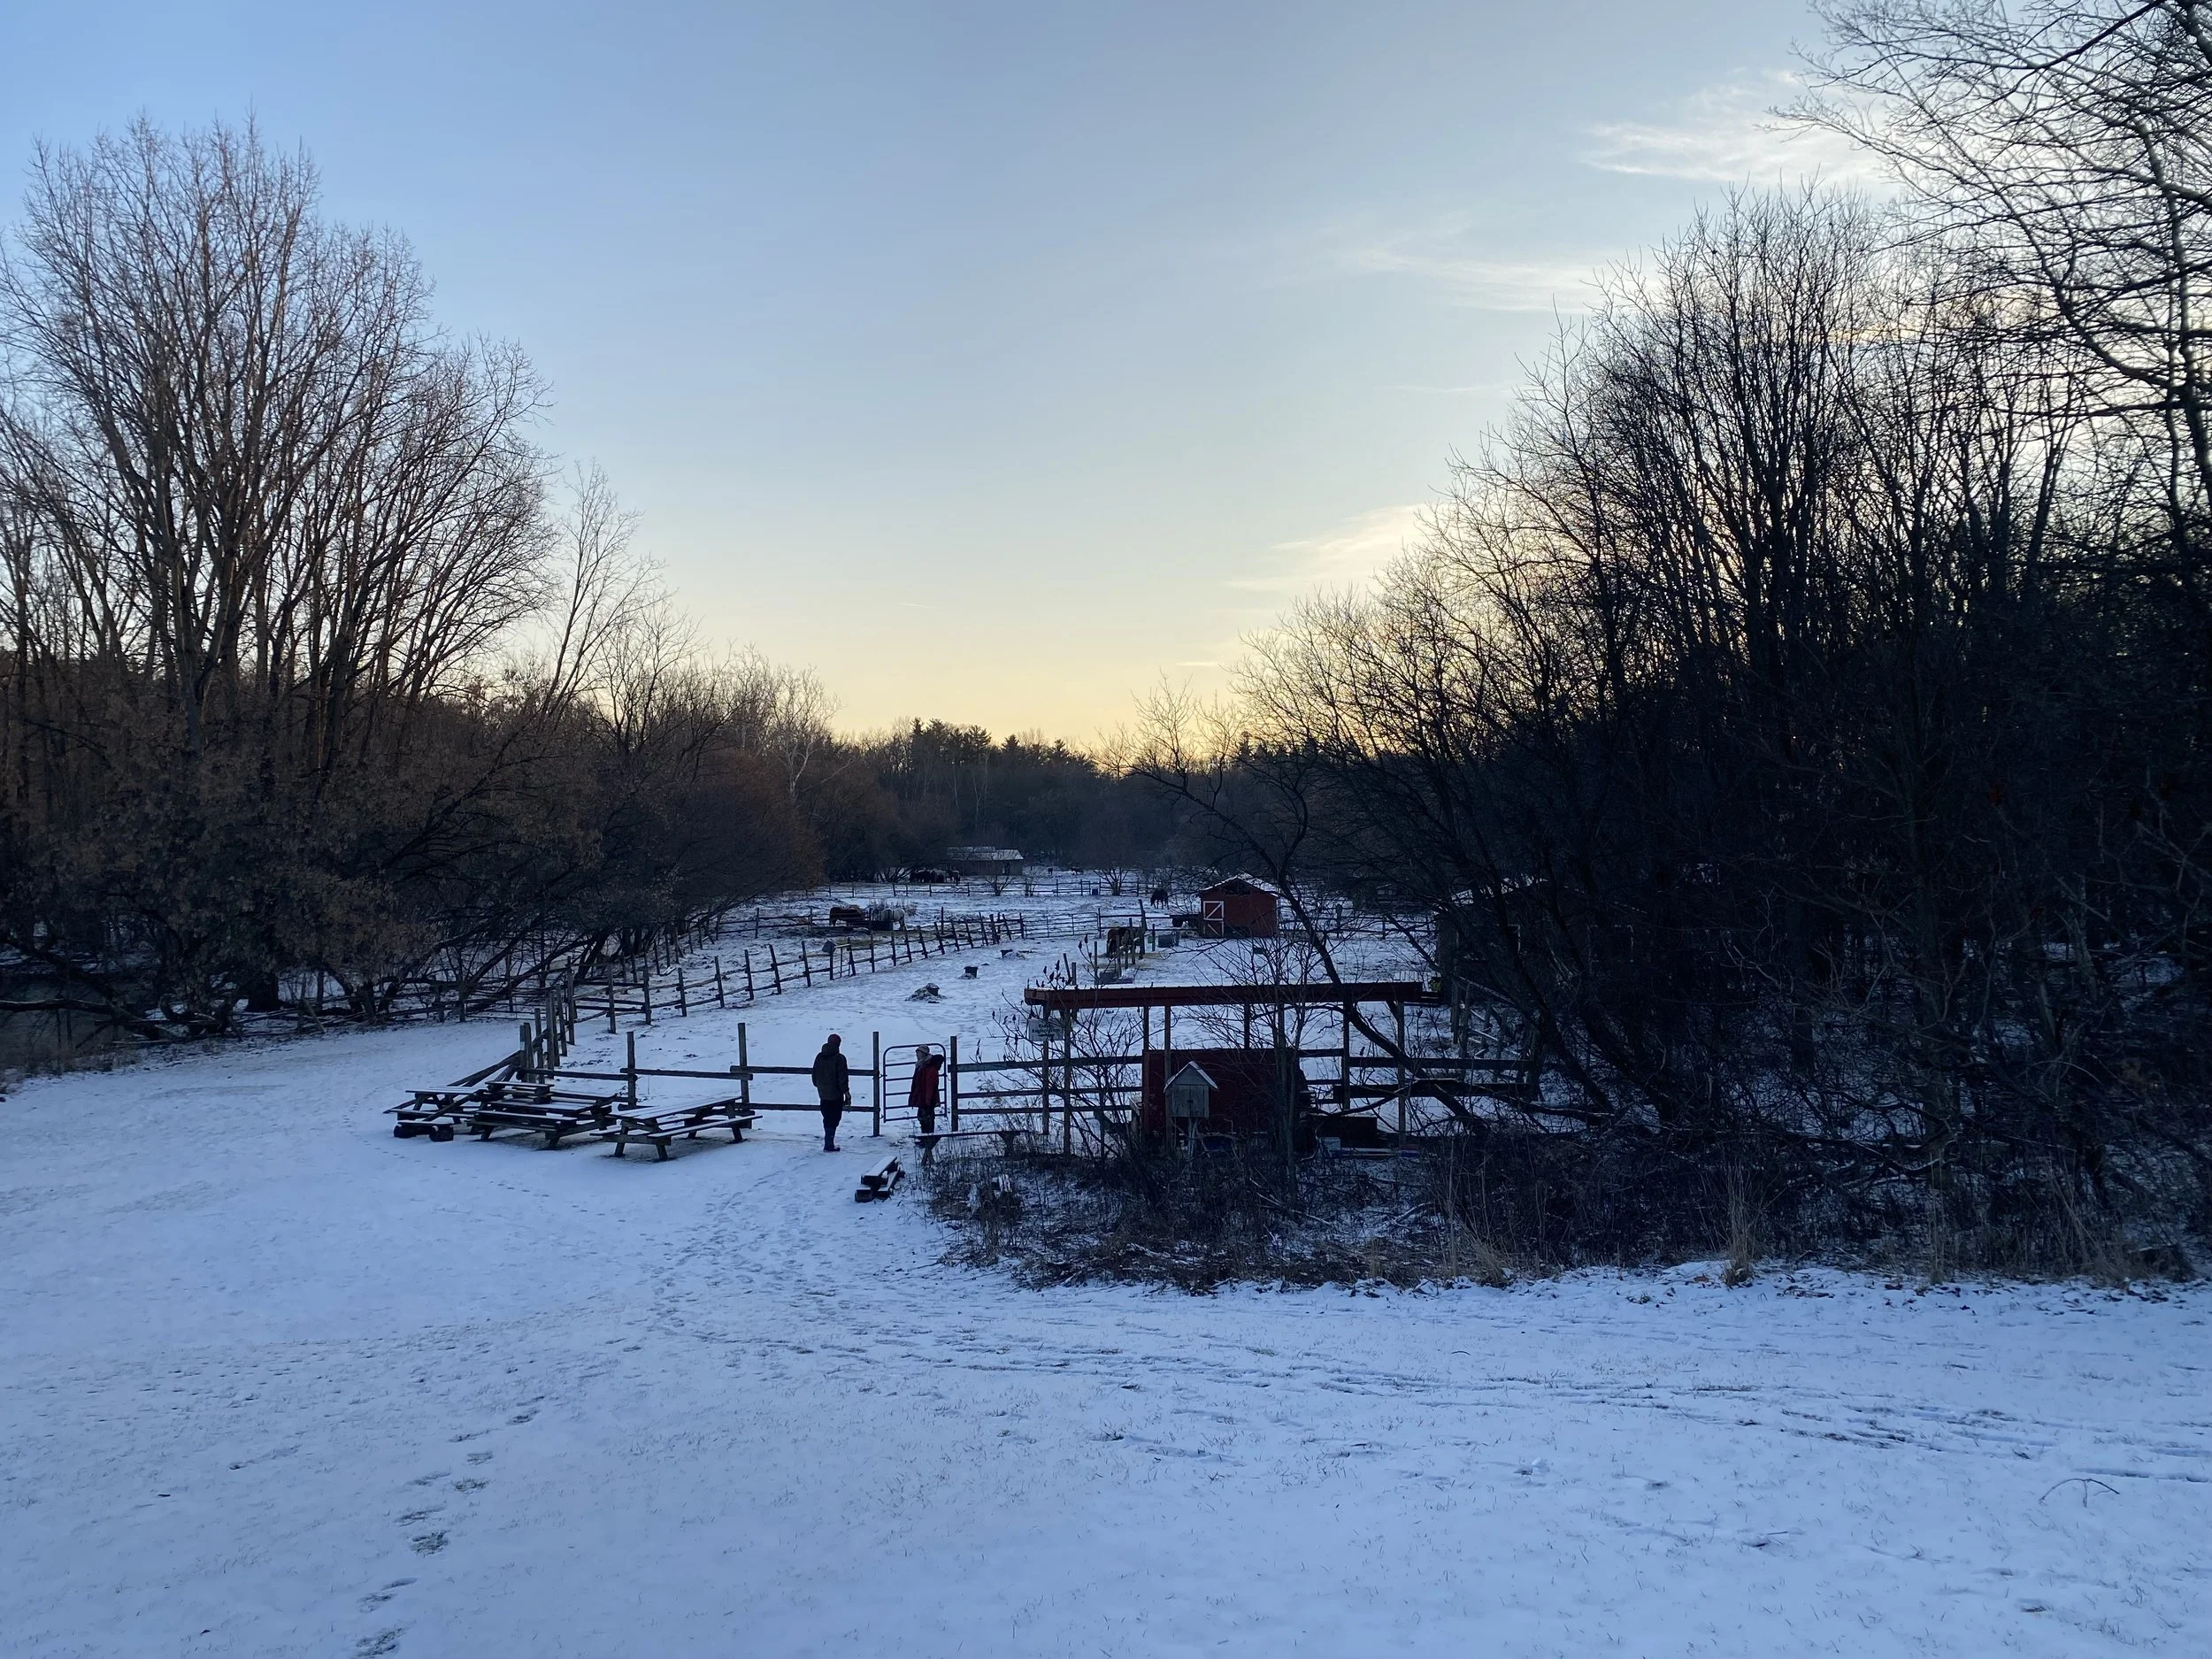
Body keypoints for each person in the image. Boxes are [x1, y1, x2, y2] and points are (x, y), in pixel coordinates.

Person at [811, 1033, 850, 1151]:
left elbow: (814, 1077)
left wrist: (820, 1086)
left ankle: (829, 1142)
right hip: (836, 1095)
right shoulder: (839, 1058)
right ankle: (829, 1144)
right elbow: (842, 1078)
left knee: (827, 1117)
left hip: (823, 1094)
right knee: (834, 1119)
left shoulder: (819, 1057)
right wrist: (846, 1093)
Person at [908, 1046, 944, 1137]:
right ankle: (926, 1137)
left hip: (926, 1097)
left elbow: (930, 1085)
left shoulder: (929, 1067)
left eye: (918, 1053)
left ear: (923, 1054)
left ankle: (928, 1138)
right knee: (923, 1117)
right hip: (923, 1096)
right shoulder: (922, 1065)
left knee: (927, 1117)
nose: (917, 1055)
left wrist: (928, 1100)